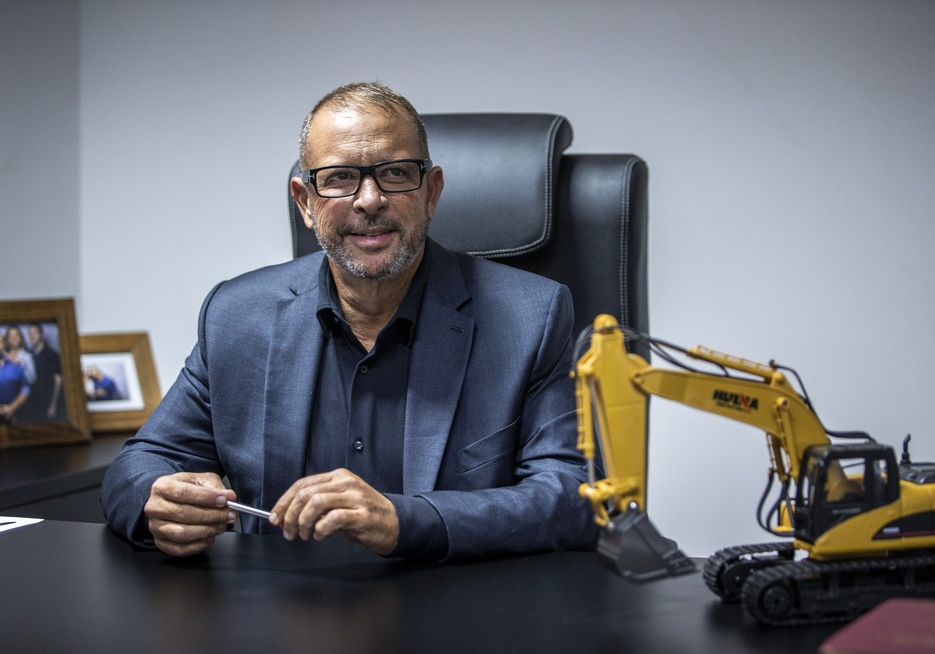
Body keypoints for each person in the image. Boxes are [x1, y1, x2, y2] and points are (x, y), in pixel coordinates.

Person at [101, 81, 596, 560]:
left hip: (456, 617)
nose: (368, 199)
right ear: (305, 203)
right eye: (339, 178)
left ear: (432, 192)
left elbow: (572, 495)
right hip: (278, 617)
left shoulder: (530, 318)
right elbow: (138, 465)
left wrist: (404, 521)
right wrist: (157, 500)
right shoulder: (237, 315)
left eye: (396, 173)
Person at [22, 323, 66, 423]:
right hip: (33, 405)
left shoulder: (52, 356)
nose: (32, 336)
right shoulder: (29, 356)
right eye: (30, 333)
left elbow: (58, 382)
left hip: (48, 404)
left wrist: (53, 405)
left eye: (35, 333)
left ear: (41, 334)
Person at [0, 329, 30, 425]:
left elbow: (25, 388)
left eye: (0, 342)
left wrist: (11, 408)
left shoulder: (15, 364)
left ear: (4, 345)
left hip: (15, 416)